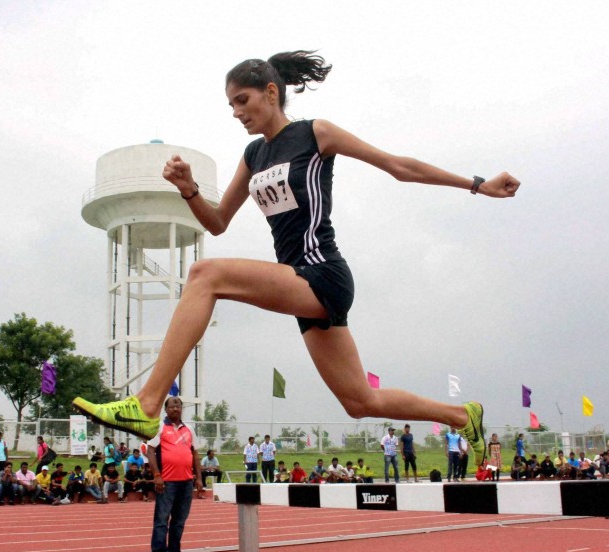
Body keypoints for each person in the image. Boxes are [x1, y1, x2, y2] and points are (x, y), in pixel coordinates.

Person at [71, 51, 518, 468]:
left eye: (242, 100)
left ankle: (148, 404)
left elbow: (398, 166)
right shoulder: (255, 155)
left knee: (205, 274)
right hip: (297, 280)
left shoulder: (314, 133)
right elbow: (218, 222)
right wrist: (188, 188)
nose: (236, 112)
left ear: (270, 91)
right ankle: (462, 415)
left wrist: (478, 183)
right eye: (229, 105)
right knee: (360, 401)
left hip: (322, 271)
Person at [147, 396, 204, 552]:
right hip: (167, 482)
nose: (175, 409)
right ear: (166, 409)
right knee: (162, 520)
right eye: (172, 406)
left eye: (178, 406)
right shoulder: (159, 427)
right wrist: (157, 475)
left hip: (186, 482)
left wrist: (199, 478)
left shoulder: (189, 429)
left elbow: (195, 454)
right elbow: (150, 451)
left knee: (179, 521)